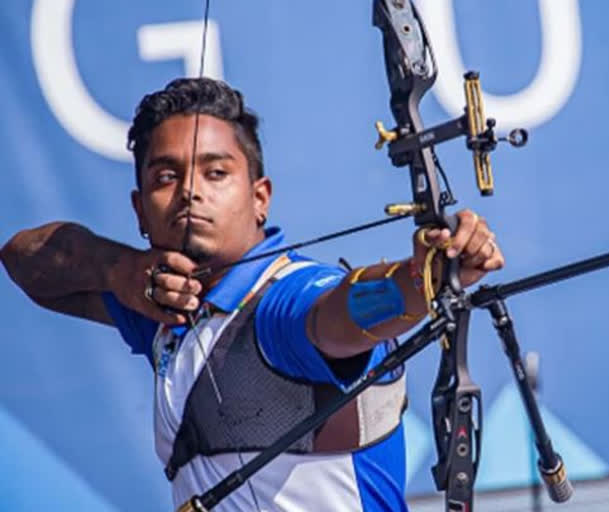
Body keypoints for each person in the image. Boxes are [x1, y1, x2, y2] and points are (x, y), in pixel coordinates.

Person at [1, 78, 504, 512]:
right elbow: (24, 258)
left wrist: (423, 276)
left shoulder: (281, 305)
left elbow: (343, 311)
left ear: (259, 197)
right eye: (165, 176)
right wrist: (119, 269)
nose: (189, 192)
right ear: (139, 209)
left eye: (216, 172)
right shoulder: (164, 305)